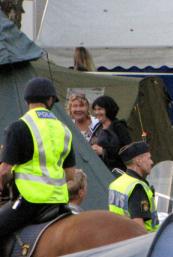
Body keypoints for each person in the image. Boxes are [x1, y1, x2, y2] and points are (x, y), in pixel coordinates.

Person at [0, 77, 76, 239]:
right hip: (58, 202)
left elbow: (4, 171)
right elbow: (70, 175)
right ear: (50, 100)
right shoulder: (65, 130)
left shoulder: (18, 127)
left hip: (29, 201)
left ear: (27, 100)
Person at [108, 141, 158, 232]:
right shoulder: (137, 187)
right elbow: (138, 226)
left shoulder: (116, 183)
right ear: (138, 161)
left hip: (120, 238)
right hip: (144, 242)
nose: (152, 162)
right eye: (149, 158)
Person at [90, 95, 131, 173]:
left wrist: (103, 152)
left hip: (117, 171)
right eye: (95, 109)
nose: (97, 112)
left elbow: (127, 151)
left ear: (108, 110)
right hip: (100, 170)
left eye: (100, 109)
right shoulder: (98, 127)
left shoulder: (119, 127)